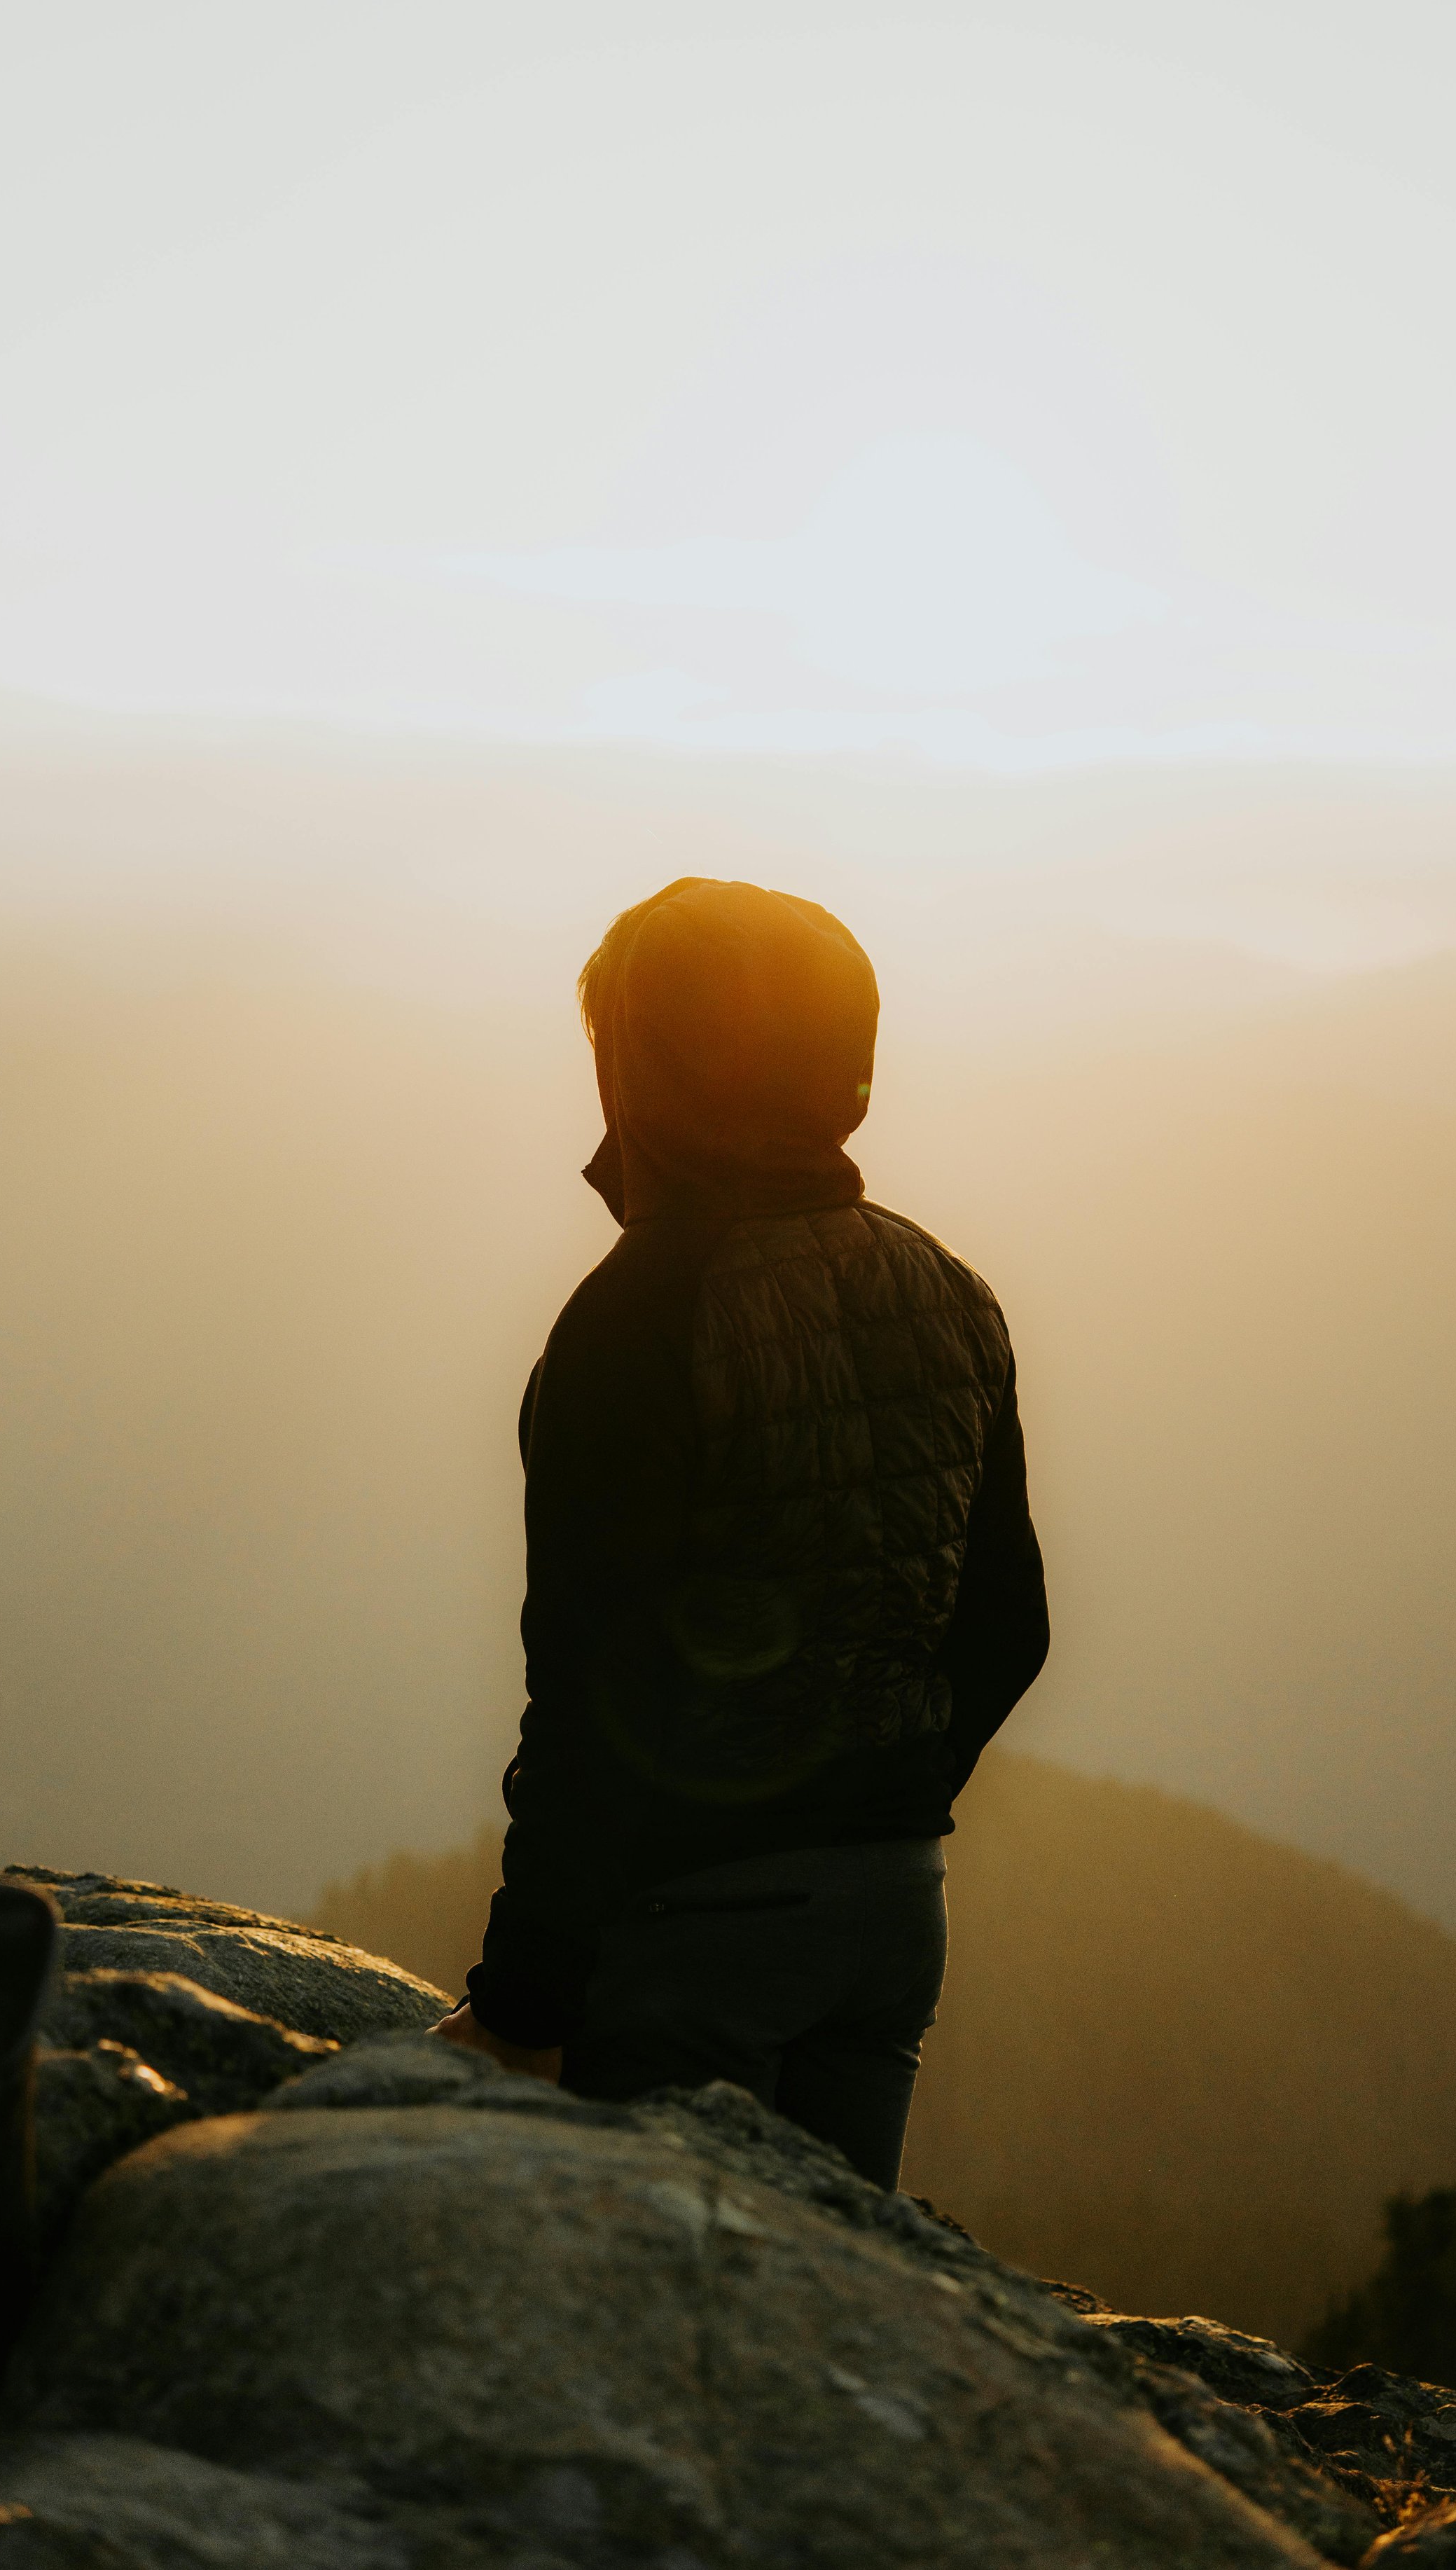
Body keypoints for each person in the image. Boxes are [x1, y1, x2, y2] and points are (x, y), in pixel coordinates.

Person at [434, 877, 1046, 2190]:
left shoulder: (636, 1319)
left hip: (697, 1928)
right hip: (894, 1916)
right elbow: (1012, 1625)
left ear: (647, 1067)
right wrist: (883, 1794)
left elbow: (594, 1697)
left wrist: (521, 2004)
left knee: (666, 2330)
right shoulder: (949, 1287)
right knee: (827, 2308)